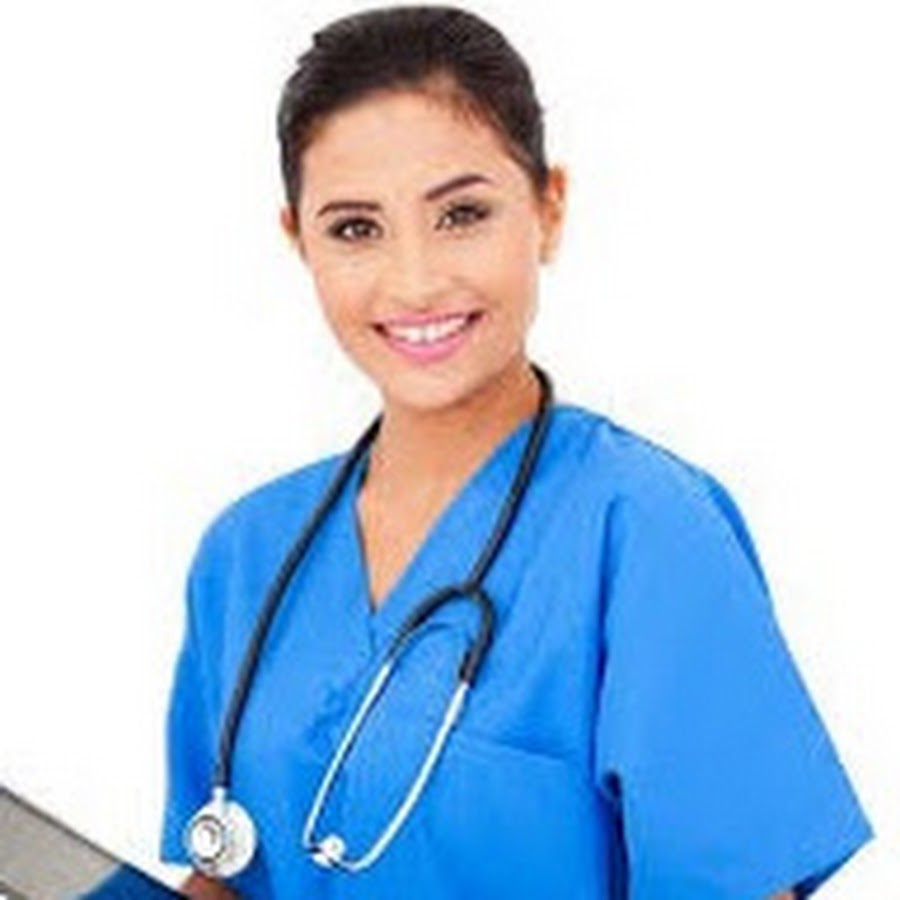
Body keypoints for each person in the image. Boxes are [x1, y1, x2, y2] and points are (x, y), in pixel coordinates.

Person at [159, 5, 874, 898]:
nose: (415, 280)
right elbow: (230, 877)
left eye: (461, 214)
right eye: (355, 228)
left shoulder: (647, 530)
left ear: (549, 208)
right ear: (298, 240)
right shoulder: (247, 554)